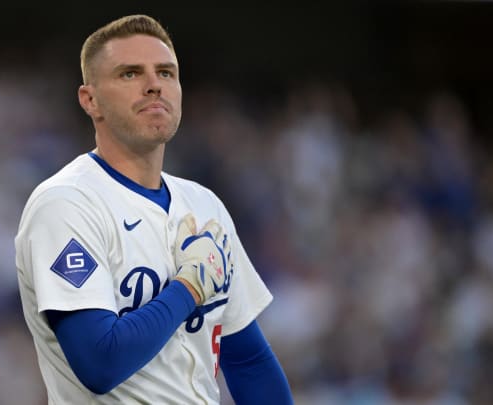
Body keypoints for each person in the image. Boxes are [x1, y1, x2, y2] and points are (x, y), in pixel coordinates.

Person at [15, 14, 294, 404]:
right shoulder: (66, 203)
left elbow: (248, 360)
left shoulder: (204, 205)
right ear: (89, 99)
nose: (153, 86)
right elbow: (100, 363)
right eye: (130, 74)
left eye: (166, 73)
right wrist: (189, 287)